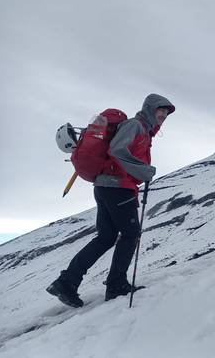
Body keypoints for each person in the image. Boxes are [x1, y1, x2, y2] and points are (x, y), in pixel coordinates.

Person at [47, 94, 175, 307]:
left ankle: (66, 282)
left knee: (106, 237)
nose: (163, 114)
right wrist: (144, 171)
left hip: (106, 187)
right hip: (118, 188)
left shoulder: (143, 130)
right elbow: (116, 149)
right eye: (160, 109)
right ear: (149, 108)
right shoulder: (136, 125)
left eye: (166, 112)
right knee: (131, 234)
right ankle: (116, 285)